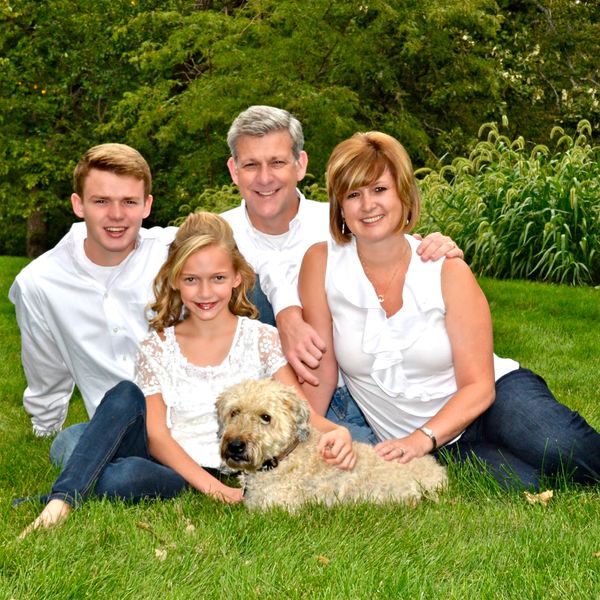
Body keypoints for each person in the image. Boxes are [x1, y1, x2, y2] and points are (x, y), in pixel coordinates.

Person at [19, 212, 355, 535]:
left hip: (176, 475)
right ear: (176, 280)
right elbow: (158, 437)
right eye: (192, 279)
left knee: (119, 474)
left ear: (237, 277)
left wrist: (336, 431)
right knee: (123, 394)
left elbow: (301, 411)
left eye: (218, 278)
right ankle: (60, 504)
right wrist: (214, 490)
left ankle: (76, 477)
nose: (205, 293)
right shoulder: (157, 347)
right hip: (169, 458)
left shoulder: (260, 338)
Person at [298, 131, 600, 490]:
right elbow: (321, 375)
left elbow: (479, 386)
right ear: (341, 208)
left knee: (565, 449)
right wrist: (312, 431)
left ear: (403, 194)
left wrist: (422, 437)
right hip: (427, 446)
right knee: (530, 484)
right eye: (353, 194)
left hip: (492, 401)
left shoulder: (444, 268)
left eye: (379, 189)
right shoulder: (322, 264)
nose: (367, 205)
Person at [221, 105, 462, 442]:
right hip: (258, 397)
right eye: (250, 165)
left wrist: (437, 245)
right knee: (243, 282)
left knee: (370, 467)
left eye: (277, 162)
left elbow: (397, 247)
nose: (265, 178)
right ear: (234, 170)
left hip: (354, 392)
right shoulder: (214, 236)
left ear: (300, 164)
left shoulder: (345, 224)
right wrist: (287, 313)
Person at [9, 143, 176, 445]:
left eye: (129, 202)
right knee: (69, 445)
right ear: (78, 204)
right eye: (101, 201)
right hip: (116, 431)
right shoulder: (40, 282)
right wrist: (45, 428)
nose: (116, 215)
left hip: (189, 413)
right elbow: (45, 368)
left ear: (147, 205)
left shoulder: (174, 251)